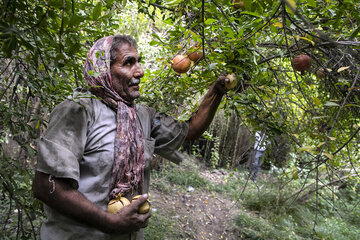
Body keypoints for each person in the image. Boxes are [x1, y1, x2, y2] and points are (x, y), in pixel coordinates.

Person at [32, 35, 243, 240]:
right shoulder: (78, 111)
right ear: (103, 69)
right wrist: (108, 222)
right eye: (128, 63)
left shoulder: (142, 116)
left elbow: (190, 131)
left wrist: (218, 90)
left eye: (138, 62)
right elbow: (47, 186)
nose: (140, 71)